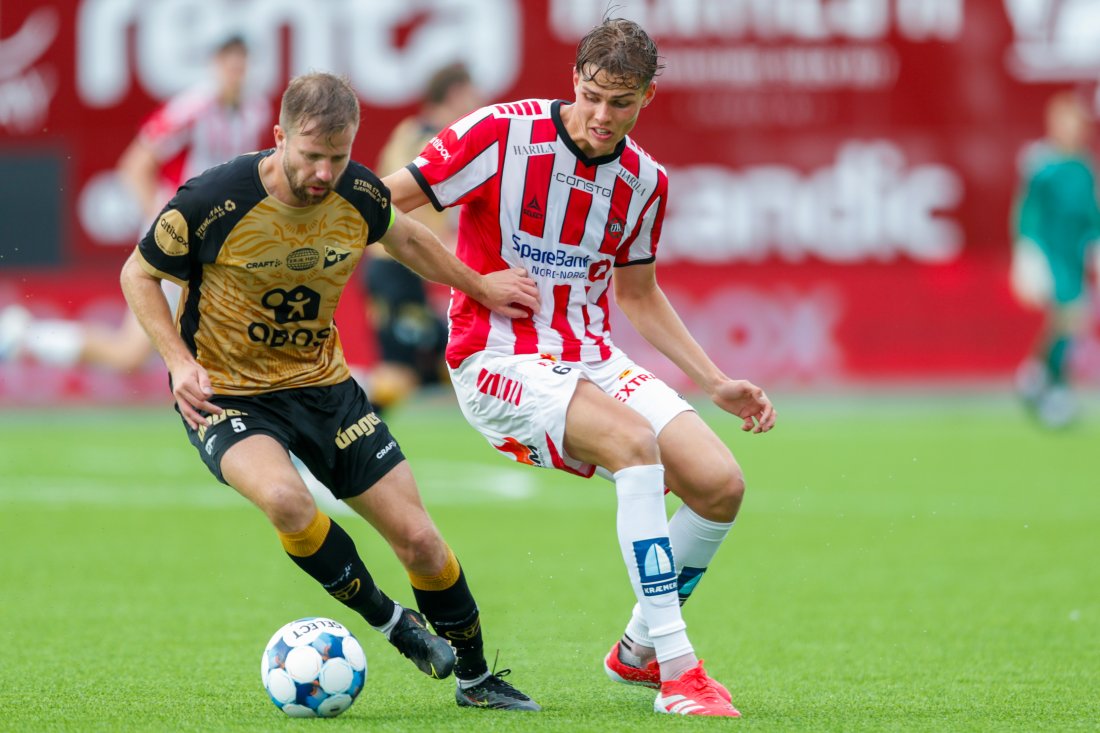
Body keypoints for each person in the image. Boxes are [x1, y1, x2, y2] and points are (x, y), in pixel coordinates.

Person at [382, 17, 776, 718]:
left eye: (620, 102)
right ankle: (679, 669)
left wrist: (714, 380)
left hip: (590, 356)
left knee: (720, 486)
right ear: (574, 81)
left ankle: (637, 648)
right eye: (592, 96)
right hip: (494, 356)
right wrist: (473, 283)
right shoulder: (501, 134)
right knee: (634, 443)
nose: (601, 115)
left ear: (646, 97)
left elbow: (638, 294)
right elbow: (377, 206)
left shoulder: (644, 181)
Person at [119, 72, 542, 712]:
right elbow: (138, 273)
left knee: (421, 541)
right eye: (311, 155)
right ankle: (392, 622)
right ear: (280, 136)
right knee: (286, 501)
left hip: (326, 389)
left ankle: (478, 680)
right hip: (228, 394)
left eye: (337, 157)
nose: (323, 173)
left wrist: (481, 286)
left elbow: (408, 238)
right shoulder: (215, 198)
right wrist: (178, 362)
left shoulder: (358, 192)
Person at [0, 34, 268, 371]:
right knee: (134, 351)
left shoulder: (255, 110)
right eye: (230, 66)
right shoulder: (192, 109)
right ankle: (27, 337)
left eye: (241, 67)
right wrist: (168, 226)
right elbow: (134, 165)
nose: (236, 74)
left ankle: (27, 337)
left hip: (213, 240)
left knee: (137, 353)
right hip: (181, 237)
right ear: (215, 66)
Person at [363, 62, 481, 412]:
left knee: (419, 366)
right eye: (473, 94)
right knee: (412, 368)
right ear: (455, 94)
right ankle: (336, 429)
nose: (478, 103)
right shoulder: (430, 141)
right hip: (393, 266)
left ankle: (343, 430)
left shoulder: (413, 132)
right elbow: (397, 198)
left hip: (398, 267)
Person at [1010, 90, 1100, 428]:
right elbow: (1027, 210)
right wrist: (1026, 252)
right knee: (1071, 316)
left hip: (1075, 254)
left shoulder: (1084, 165)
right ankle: (1054, 387)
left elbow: (1090, 212)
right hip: (1051, 254)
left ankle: (1035, 376)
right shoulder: (1042, 163)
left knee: (1068, 320)